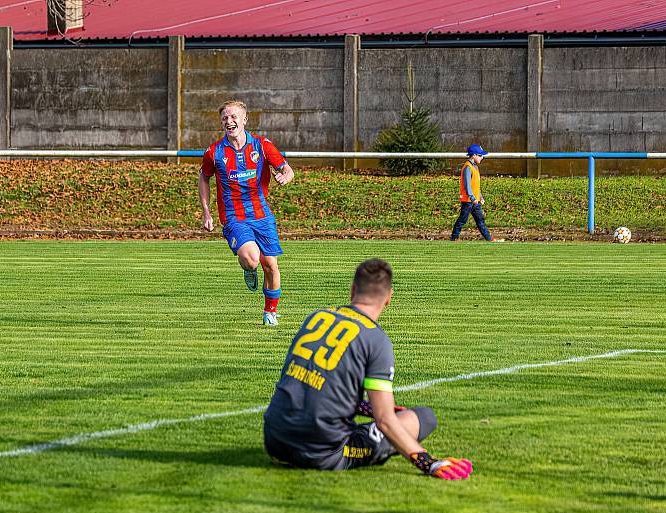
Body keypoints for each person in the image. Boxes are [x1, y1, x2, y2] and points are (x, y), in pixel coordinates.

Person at [263, 258, 473, 479]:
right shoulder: (376, 340)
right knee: (422, 418)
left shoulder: (317, 317)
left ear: (353, 289)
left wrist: (363, 407)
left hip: (274, 440)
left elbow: (305, 383)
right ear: (389, 297)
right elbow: (385, 421)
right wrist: (428, 462)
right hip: (320, 453)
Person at [198, 100, 295, 326]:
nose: (229, 122)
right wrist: (206, 211)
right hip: (233, 217)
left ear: (244, 119)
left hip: (262, 215)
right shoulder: (214, 152)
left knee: (271, 266)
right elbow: (204, 177)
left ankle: (269, 311)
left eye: (233, 117)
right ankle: (248, 269)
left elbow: (286, 168)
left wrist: (285, 176)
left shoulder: (262, 146)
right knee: (252, 260)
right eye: (225, 118)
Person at [450, 143, 496, 242]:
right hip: (468, 200)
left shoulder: (475, 167)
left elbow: (476, 185)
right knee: (463, 219)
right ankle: (454, 237)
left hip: (475, 200)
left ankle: (489, 239)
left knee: (480, 220)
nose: (482, 157)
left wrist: (480, 197)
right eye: (480, 155)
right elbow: (467, 186)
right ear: (473, 155)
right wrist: (472, 198)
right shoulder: (468, 167)